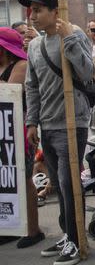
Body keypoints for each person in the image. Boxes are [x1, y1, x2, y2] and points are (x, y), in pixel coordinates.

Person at [21, 0, 94, 265]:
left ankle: (77, 241)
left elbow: (87, 74)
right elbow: (32, 86)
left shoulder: (74, 37)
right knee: (58, 186)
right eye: (32, 11)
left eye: (39, 10)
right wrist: (31, 122)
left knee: (68, 183)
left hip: (73, 122)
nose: (33, 16)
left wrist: (71, 40)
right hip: (48, 126)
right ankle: (68, 234)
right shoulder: (35, 47)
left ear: (55, 12)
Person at [0, 28, 45, 248]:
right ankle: (11, 226)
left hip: (19, 129)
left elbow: (11, 90)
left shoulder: (21, 65)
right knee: (7, 181)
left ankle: (33, 229)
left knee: (24, 178)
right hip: (4, 131)